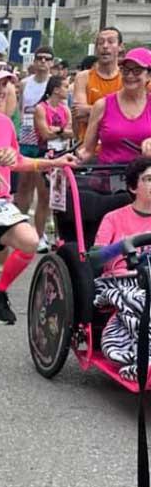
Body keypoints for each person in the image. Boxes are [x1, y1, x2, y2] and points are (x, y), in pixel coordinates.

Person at [0, 62, 76, 326]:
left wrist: (56, 162)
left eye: (5, 84)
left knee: (30, 241)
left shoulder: (5, 123)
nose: (1, 90)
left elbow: (17, 160)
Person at [92, 157, 151, 379]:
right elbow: (94, 259)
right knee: (142, 300)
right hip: (120, 281)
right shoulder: (114, 218)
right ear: (133, 187)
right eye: (149, 179)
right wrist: (124, 244)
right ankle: (142, 356)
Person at [77, 47, 151, 165]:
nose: (130, 76)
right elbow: (87, 150)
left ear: (148, 75)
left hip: (144, 179)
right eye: (125, 70)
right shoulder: (102, 105)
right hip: (108, 177)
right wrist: (70, 161)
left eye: (137, 71)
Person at [16, 46, 53, 251]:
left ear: (52, 63)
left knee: (44, 190)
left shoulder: (54, 84)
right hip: (26, 137)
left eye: (47, 59)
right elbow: (21, 109)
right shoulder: (24, 83)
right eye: (39, 58)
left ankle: (40, 234)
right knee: (23, 186)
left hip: (45, 140)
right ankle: (19, 228)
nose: (43, 62)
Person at [72, 27, 123, 141]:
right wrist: (116, 114)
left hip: (118, 149)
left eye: (110, 41)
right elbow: (80, 114)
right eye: (101, 42)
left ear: (120, 46)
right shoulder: (83, 77)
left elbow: (130, 116)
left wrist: (90, 110)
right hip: (88, 149)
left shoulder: (126, 79)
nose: (105, 46)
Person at [33, 76, 73, 157]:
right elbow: (46, 135)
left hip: (64, 151)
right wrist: (64, 132)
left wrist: (59, 130)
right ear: (56, 90)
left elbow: (73, 133)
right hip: (45, 152)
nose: (68, 90)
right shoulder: (41, 108)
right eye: (66, 87)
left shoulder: (65, 109)